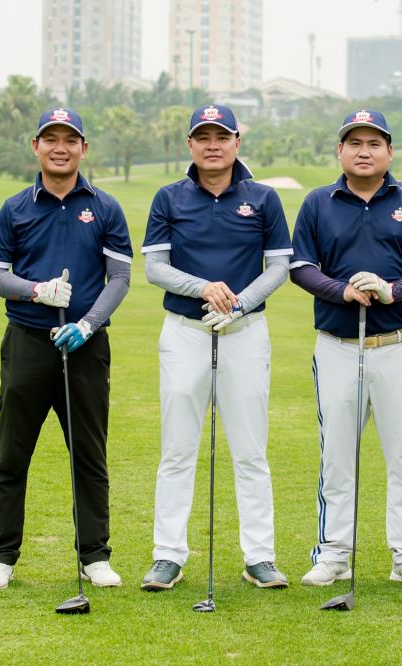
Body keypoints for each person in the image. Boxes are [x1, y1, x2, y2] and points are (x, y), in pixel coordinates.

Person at [289, 109, 402, 589]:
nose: (364, 151)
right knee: (337, 455)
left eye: (374, 143)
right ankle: (335, 553)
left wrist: (393, 291)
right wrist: (341, 291)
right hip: (337, 345)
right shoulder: (318, 202)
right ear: (340, 151)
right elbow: (300, 267)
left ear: (389, 152)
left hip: (398, 345)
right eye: (354, 143)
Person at [0, 107, 132, 590]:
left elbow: (119, 278)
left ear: (83, 148)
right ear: (36, 146)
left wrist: (88, 324)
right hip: (27, 343)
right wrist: (36, 291)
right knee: (12, 453)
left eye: (69, 140)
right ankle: (1, 557)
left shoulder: (104, 207)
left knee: (89, 455)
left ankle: (94, 556)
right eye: (51, 139)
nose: (60, 148)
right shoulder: (15, 208)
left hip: (86, 347)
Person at [139, 104, 293, 591]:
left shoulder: (263, 198)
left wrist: (239, 304)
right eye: (203, 137)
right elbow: (155, 268)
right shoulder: (169, 197)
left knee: (250, 450)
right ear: (190, 144)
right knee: (178, 448)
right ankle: (168, 555)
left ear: (236, 143)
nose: (212, 145)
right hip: (185, 332)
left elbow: (278, 267)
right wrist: (204, 288)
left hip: (244, 334)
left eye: (221, 137)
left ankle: (260, 556)